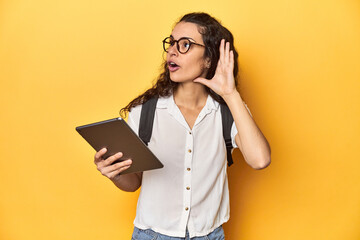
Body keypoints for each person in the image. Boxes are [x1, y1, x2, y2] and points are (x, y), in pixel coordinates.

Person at [94, 12, 271, 240]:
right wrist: (114, 173)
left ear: (209, 59)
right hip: (151, 235)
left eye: (185, 44)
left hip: (209, 236)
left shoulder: (229, 111)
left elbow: (260, 160)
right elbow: (133, 183)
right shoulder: (145, 112)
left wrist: (230, 94)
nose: (172, 51)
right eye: (171, 43)